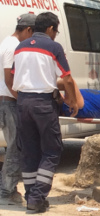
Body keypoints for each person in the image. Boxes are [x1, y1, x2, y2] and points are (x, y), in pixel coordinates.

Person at [12, 12, 79, 213]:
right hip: (43, 104)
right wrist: (73, 100)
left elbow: (14, 77)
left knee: (30, 151)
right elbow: (66, 78)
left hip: (23, 103)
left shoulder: (20, 47)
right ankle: (37, 196)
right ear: (50, 28)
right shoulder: (53, 47)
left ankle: (31, 195)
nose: (56, 34)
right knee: (51, 150)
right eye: (56, 30)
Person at [0, 13, 36, 205]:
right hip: (9, 102)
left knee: (14, 146)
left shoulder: (7, 42)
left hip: (8, 101)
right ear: (28, 30)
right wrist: (22, 100)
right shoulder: (13, 47)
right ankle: (7, 190)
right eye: (33, 34)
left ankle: (7, 186)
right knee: (15, 147)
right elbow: (9, 79)